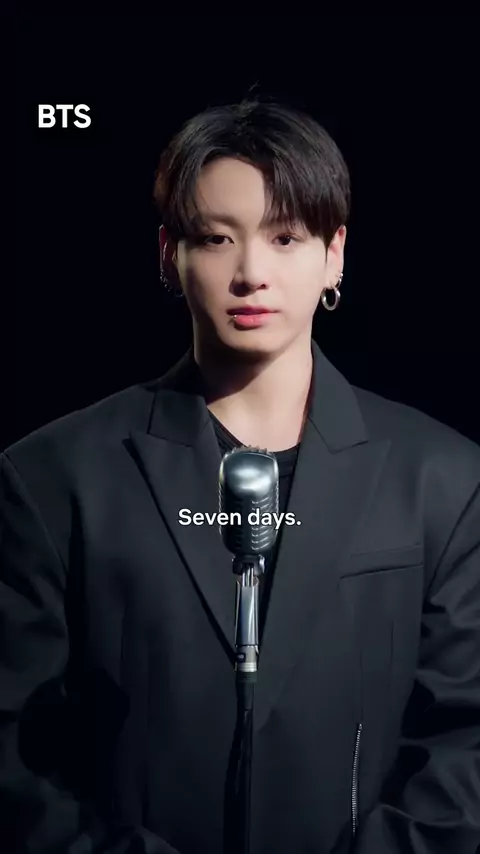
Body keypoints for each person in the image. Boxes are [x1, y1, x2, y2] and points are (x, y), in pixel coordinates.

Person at [1, 96, 479, 854]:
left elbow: (464, 743)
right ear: (170, 254)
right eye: (217, 238)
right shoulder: (54, 478)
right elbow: (17, 754)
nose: (252, 273)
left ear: (335, 253)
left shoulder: (443, 479)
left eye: (286, 237)